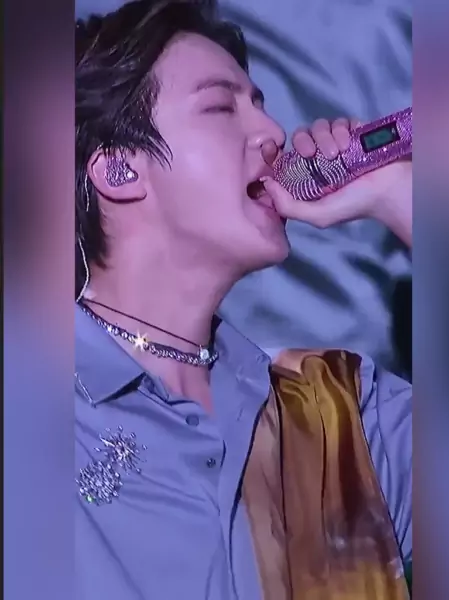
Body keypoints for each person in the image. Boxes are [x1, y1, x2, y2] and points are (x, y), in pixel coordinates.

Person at [75, 1, 412, 599]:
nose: (273, 133)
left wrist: (400, 196)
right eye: (220, 107)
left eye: (259, 102)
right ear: (120, 171)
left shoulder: (344, 412)